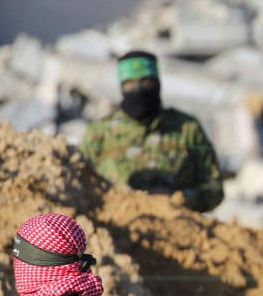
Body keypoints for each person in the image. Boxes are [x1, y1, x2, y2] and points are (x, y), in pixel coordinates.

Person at [80, 51, 224, 213]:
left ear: (157, 83)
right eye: (130, 83)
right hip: (120, 229)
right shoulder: (100, 133)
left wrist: (182, 198)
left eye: (146, 82)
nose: (139, 90)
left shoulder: (186, 129)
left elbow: (214, 187)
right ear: (122, 87)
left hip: (177, 226)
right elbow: (80, 185)